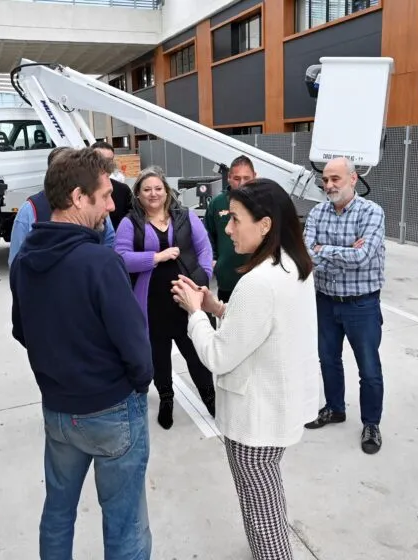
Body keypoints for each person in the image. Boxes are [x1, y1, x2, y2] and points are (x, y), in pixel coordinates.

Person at [10, 147, 154, 560]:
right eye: (105, 195)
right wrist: (137, 385)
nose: (112, 205)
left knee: (57, 511)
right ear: (78, 197)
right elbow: (136, 348)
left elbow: (22, 331)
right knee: (125, 521)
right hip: (111, 410)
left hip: (58, 412)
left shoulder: (23, 261)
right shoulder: (99, 262)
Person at [171, 178, 320, 560]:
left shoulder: (259, 282)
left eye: (235, 219)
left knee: (262, 512)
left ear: (265, 224)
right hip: (277, 410)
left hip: (256, 420)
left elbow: (218, 356)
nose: (229, 229)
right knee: (266, 499)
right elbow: (261, 329)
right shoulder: (292, 265)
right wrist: (217, 308)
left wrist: (194, 314)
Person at [114, 166, 215, 429]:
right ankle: (166, 398)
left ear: (166, 191)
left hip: (185, 301)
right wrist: (155, 258)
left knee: (195, 352)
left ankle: (210, 396)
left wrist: (202, 277)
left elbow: (205, 248)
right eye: (146, 189)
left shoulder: (185, 216)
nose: (153, 193)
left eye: (158, 188)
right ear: (138, 194)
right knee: (159, 356)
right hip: (151, 302)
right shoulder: (130, 222)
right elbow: (120, 258)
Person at [302, 156, 387, 454]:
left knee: (369, 368)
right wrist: (342, 251)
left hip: (361, 304)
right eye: (325, 180)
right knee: (328, 359)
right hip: (325, 301)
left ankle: (371, 424)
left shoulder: (372, 212)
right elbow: (306, 255)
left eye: (335, 179)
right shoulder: (316, 213)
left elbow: (363, 258)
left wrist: (322, 250)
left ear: (353, 179)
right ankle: (335, 408)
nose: (329, 185)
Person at [9, 146, 115, 266]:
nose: (111, 206)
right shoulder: (30, 209)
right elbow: (16, 261)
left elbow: (109, 239)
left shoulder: (98, 206)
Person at [203, 155, 256, 302]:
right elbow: (207, 234)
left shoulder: (263, 202)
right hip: (227, 277)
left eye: (247, 178)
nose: (242, 183)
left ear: (255, 177)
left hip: (255, 277)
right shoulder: (217, 204)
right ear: (229, 178)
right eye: (237, 178)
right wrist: (213, 259)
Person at [91, 140, 133, 228]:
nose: (105, 164)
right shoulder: (81, 189)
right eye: (100, 159)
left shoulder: (123, 190)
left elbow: (133, 217)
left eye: (109, 160)